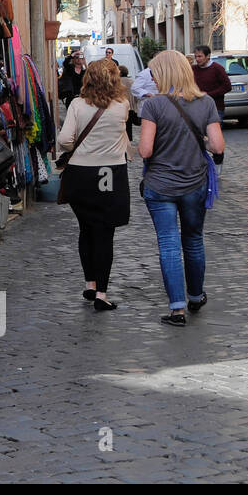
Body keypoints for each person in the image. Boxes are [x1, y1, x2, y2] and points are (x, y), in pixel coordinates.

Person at [139, 50, 226, 327]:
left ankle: (177, 309)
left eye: (154, 72)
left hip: (160, 185)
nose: (151, 77)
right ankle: (196, 295)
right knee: (193, 240)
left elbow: (145, 150)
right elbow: (218, 147)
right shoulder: (206, 103)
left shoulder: (152, 106)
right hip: (195, 183)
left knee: (168, 244)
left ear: (164, 74)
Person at [56, 59, 131, 311]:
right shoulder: (122, 105)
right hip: (110, 173)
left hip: (80, 174)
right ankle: (101, 293)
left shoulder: (77, 105)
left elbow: (65, 139)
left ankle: (90, 283)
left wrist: (81, 148)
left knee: (85, 229)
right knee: (104, 233)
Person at [191, 45, 232, 118]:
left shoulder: (217, 68)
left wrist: (208, 94)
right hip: (197, 108)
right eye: (195, 57)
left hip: (215, 108)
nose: (197, 59)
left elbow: (227, 87)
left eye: (200, 56)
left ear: (208, 56)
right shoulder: (193, 69)